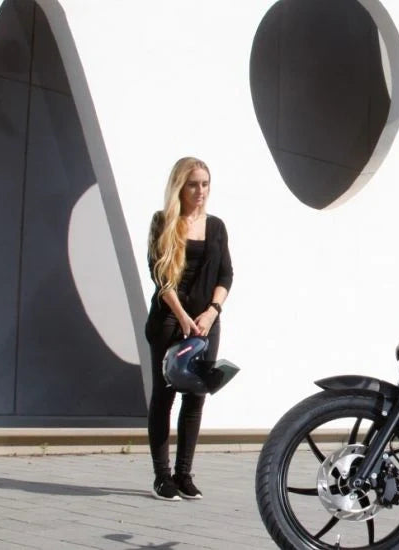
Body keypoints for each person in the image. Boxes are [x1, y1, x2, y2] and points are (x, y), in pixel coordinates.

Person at [145, 157, 232, 501]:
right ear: (180, 186)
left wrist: (211, 313)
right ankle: (162, 476)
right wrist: (182, 317)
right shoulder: (162, 222)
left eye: (205, 184)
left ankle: (184, 474)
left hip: (206, 322)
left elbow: (226, 274)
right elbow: (160, 276)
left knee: (196, 396)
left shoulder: (217, 226)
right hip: (169, 319)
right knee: (164, 395)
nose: (200, 191)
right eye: (194, 184)